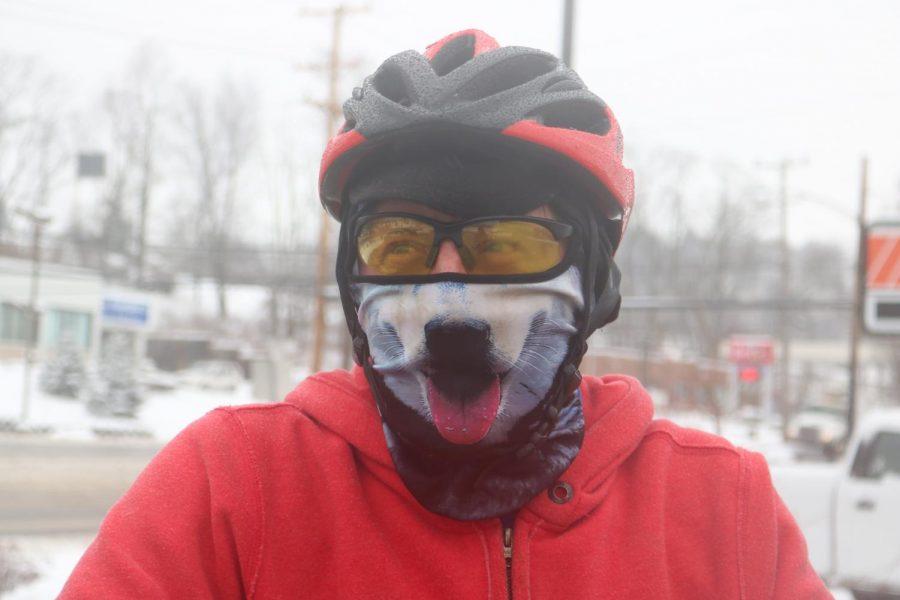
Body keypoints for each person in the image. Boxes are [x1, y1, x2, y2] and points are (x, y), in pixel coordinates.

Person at [61, 30, 830, 599]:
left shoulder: (723, 511)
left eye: (507, 244)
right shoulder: (233, 487)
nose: (447, 295)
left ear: (593, 276)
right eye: (399, 246)